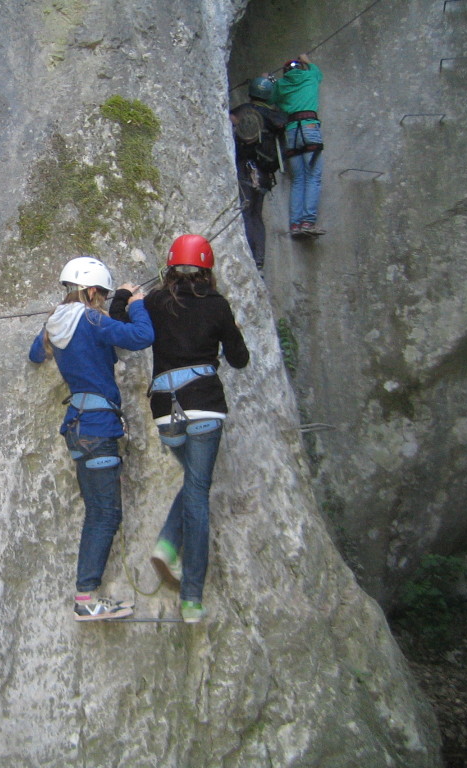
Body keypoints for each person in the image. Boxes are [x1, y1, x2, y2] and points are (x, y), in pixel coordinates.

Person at [110, 236, 249, 623]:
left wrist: (124, 296)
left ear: (170, 267)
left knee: (194, 482)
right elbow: (239, 360)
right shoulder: (218, 306)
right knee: (199, 492)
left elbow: (122, 322)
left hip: (164, 408)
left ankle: (168, 547)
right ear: (207, 269)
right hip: (204, 403)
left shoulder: (154, 301)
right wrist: (231, 329)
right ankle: (191, 597)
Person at [28, 256, 154, 622]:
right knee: (104, 514)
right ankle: (85, 598)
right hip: (98, 427)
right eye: (102, 293)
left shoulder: (56, 321)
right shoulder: (94, 319)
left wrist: (54, 322)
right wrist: (136, 302)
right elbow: (142, 336)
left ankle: (87, 595)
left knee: (98, 513)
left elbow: (36, 355)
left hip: (77, 428)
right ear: (94, 291)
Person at [229, 77, 288, 272]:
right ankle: (259, 260)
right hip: (263, 173)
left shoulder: (242, 110)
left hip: (245, 167)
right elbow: (282, 123)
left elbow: (231, 119)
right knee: (256, 214)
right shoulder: (275, 116)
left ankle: (248, 254)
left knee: (246, 211)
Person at [271, 53, 325, 238]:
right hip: (310, 128)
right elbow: (318, 73)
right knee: (313, 177)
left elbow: (273, 98)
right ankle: (307, 222)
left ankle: (295, 224)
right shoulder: (310, 75)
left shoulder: (281, 85)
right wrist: (306, 59)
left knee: (299, 179)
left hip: (292, 132)